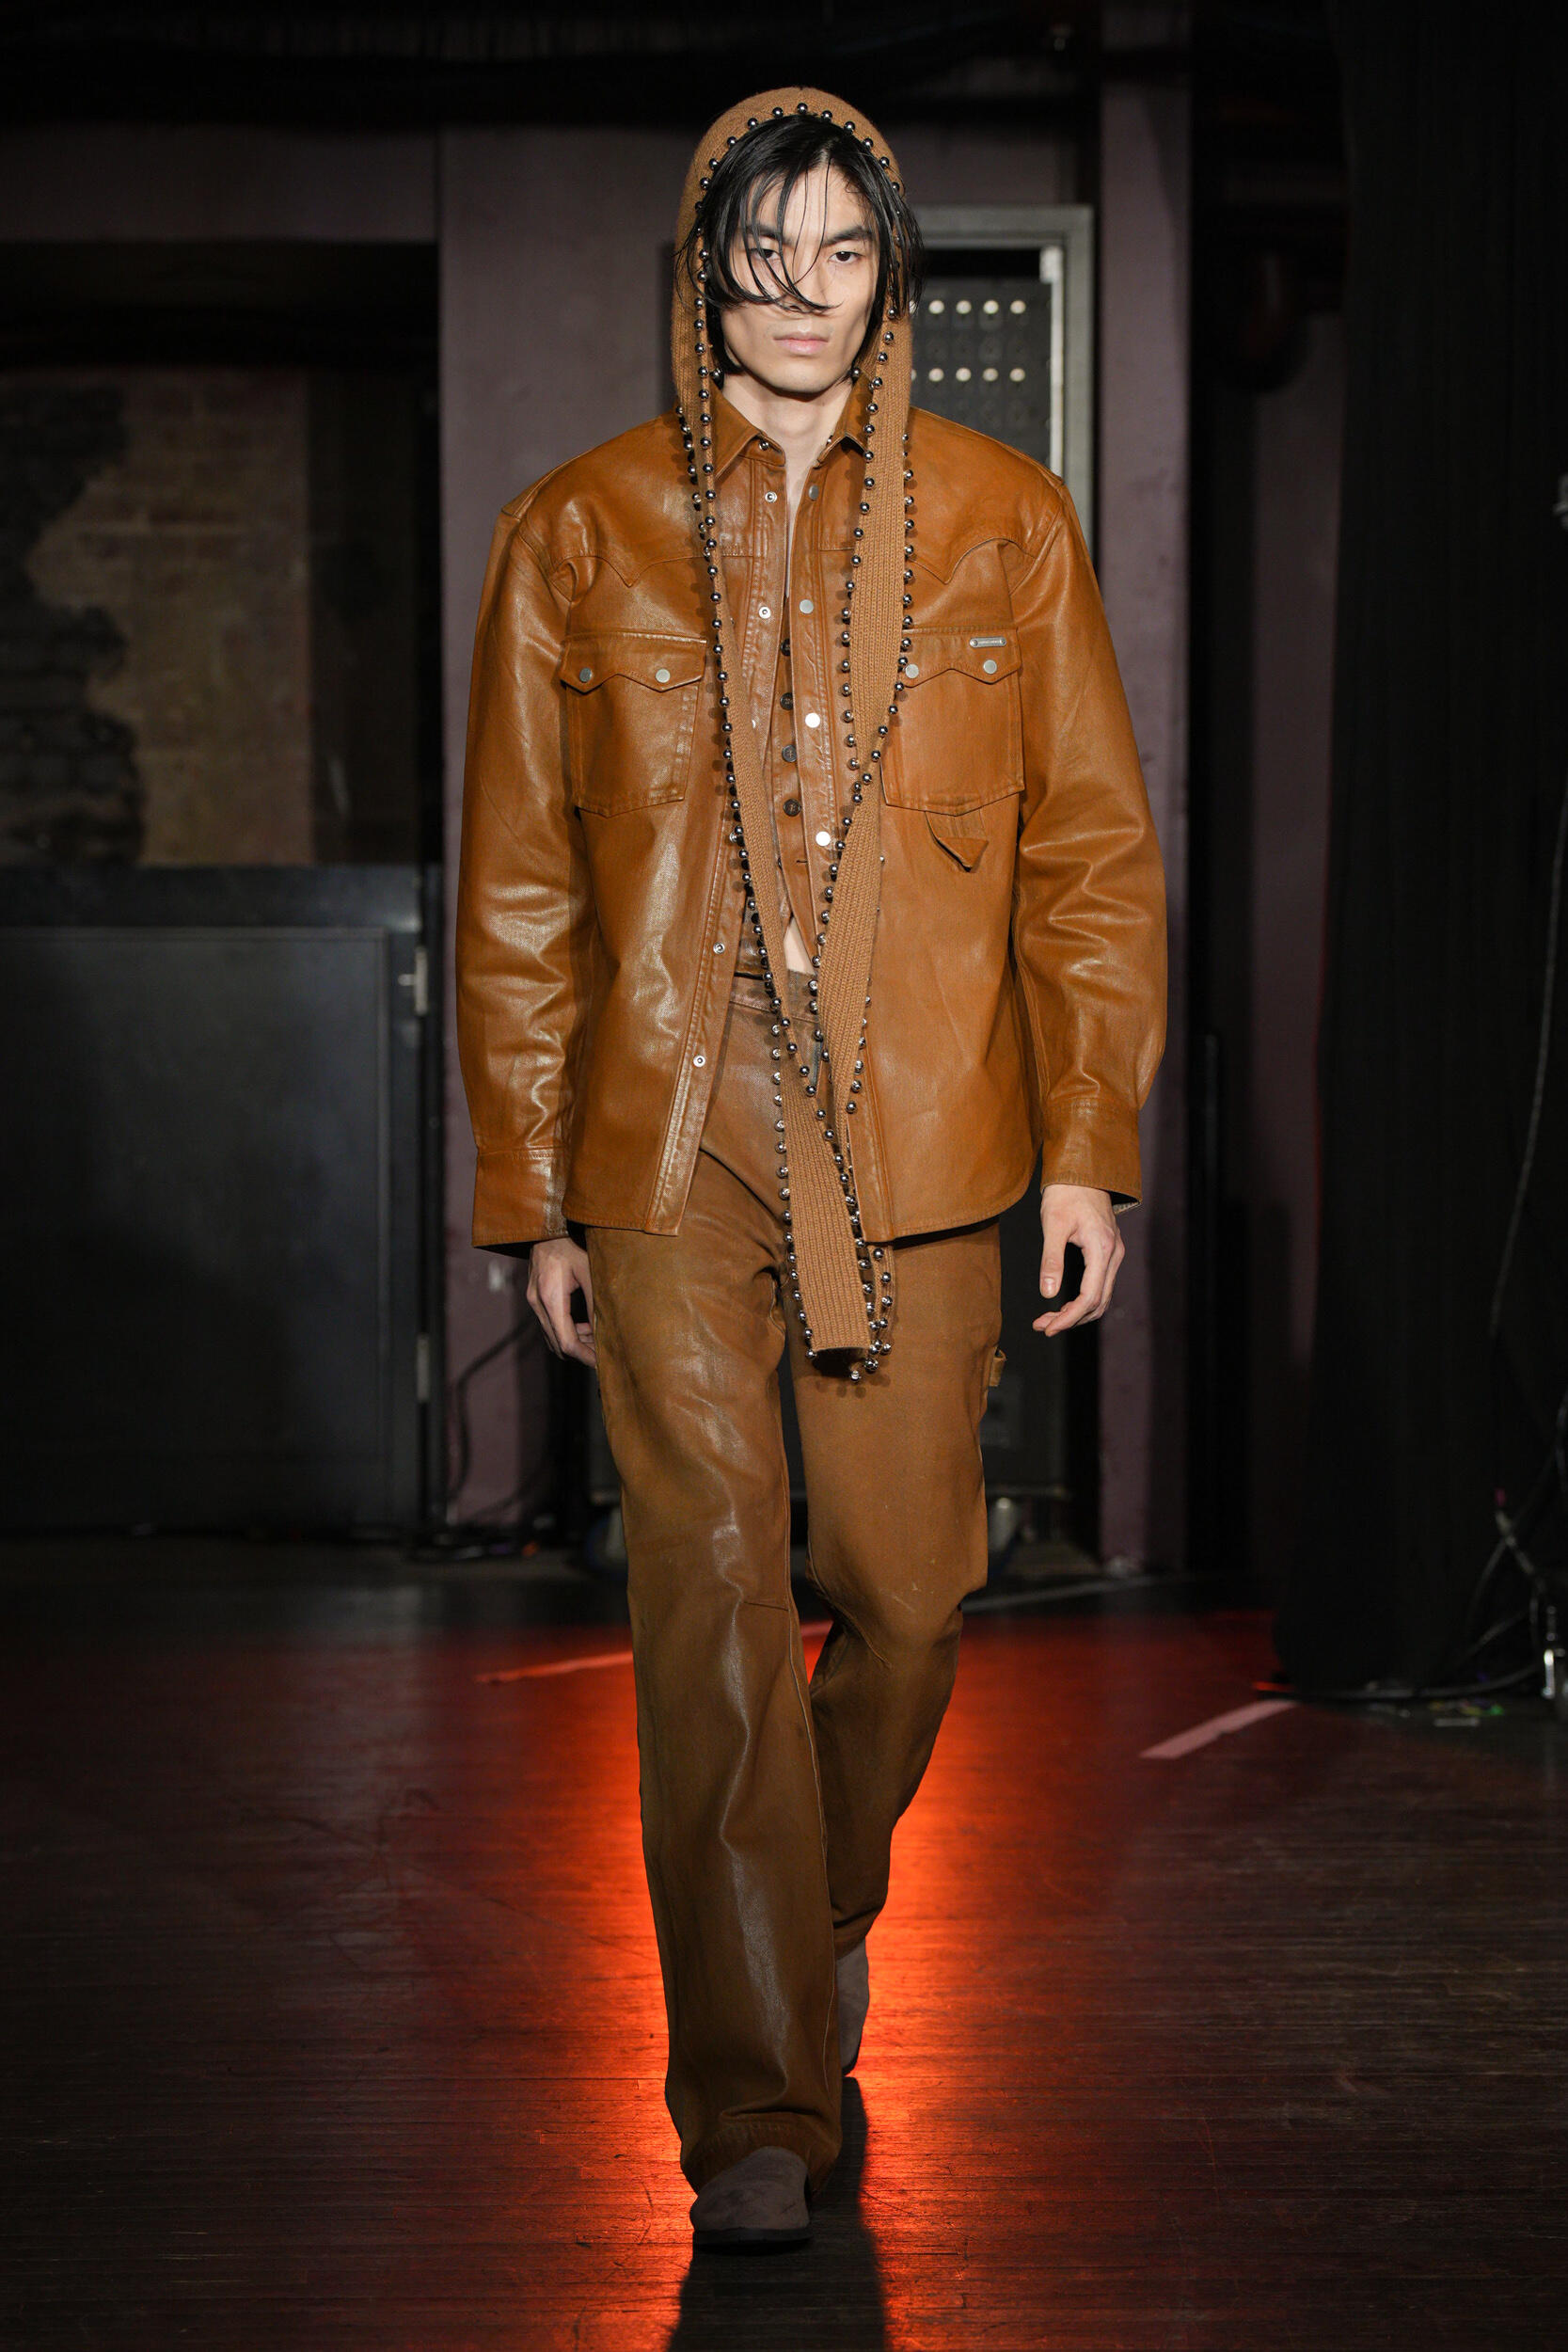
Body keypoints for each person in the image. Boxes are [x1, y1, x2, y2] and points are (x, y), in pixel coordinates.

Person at [455, 85, 1165, 2251]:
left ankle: (814, 1901)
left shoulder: (1002, 522)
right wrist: (530, 1189)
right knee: (709, 1604)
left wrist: (1090, 1143)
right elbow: (520, 884)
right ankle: (757, 2097)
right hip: (672, 1141)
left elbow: (1086, 855)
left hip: (925, 1131)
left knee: (913, 1591)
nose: (803, 296)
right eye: (765, 258)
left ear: (890, 274)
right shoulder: (581, 532)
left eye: (842, 255)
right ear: (708, 272)